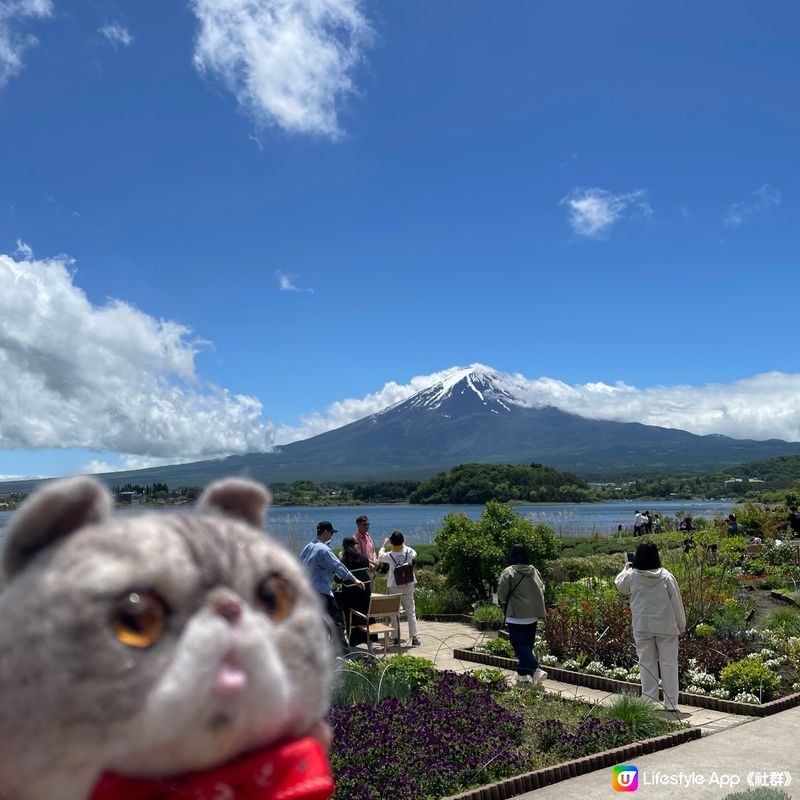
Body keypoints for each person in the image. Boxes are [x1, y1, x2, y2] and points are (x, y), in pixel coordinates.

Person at [615, 541, 686, 712]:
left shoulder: (632, 576)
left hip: (643, 626)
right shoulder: (666, 577)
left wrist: (626, 568)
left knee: (646, 662)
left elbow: (619, 584)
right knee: (668, 663)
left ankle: (649, 698)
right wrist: (681, 625)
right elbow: (676, 603)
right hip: (666, 627)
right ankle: (671, 703)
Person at [300, 521, 365, 652]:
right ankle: (344, 653)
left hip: (308, 592)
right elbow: (337, 566)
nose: (331, 535)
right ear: (325, 532)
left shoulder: (308, 546)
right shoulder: (323, 549)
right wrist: (355, 579)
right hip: (321, 591)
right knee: (336, 622)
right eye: (331, 533)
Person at [496, 544, 547, 686]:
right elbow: (542, 587)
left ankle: (536, 670)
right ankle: (522, 675)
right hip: (533, 615)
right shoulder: (534, 570)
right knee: (527, 646)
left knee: (519, 645)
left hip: (516, 615)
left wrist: (504, 602)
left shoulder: (509, 572)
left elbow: (502, 591)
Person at [378, 531, 420, 647]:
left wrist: (384, 544)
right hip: (408, 583)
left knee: (393, 612)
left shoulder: (390, 555)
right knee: (411, 611)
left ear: (392, 542)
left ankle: (395, 638)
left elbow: (379, 555)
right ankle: (414, 638)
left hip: (394, 584)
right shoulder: (409, 552)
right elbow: (415, 553)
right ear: (402, 541)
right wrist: (403, 544)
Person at [335, 536, 372, 645]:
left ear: (345, 548)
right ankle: (369, 644)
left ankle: (353, 645)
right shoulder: (364, 558)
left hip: (351, 600)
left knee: (347, 613)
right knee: (365, 617)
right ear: (355, 545)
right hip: (365, 599)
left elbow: (337, 579)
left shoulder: (344, 562)